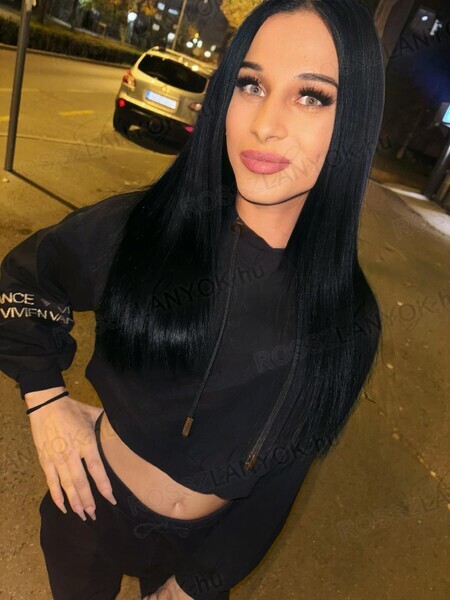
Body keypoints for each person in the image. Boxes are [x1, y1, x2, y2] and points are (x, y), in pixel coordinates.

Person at [0, 1, 385, 598]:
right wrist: (44, 398)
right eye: (251, 85)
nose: (265, 124)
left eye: (312, 96)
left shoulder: (347, 319)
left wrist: (196, 583)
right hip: (88, 502)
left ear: (355, 120)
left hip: (201, 549)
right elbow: (22, 281)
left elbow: (280, 481)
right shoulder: (145, 227)